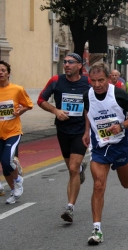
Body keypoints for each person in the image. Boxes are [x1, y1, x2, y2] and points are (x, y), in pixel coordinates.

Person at [82, 62, 128, 245]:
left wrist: (122, 125)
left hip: (120, 145)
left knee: (125, 183)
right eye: (94, 80)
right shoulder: (87, 95)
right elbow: (88, 112)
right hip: (100, 146)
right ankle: (97, 229)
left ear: (108, 78)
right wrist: (86, 132)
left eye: (101, 80)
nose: (97, 84)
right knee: (98, 185)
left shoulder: (118, 94)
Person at [38, 53, 90, 222]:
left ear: (79, 65)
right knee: (72, 168)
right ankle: (81, 169)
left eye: (70, 62)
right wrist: (56, 111)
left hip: (81, 130)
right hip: (63, 130)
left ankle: (70, 208)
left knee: (73, 168)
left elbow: (93, 106)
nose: (66, 65)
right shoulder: (56, 81)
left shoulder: (88, 82)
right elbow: (40, 100)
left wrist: (88, 130)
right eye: (65, 62)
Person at [0, 60, 33, 204]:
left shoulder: (17, 89)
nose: (0, 72)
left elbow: (28, 105)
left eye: (3, 70)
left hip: (13, 132)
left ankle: (18, 180)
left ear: (8, 73)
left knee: (6, 161)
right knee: (5, 165)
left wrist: (20, 110)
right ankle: (14, 190)